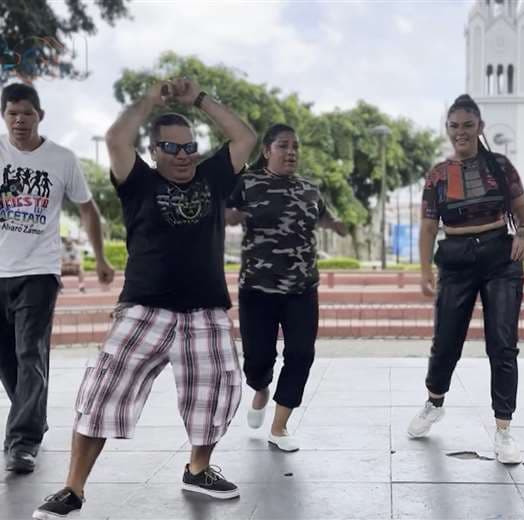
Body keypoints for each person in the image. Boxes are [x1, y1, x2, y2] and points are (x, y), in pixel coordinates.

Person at [33, 78, 257, 519]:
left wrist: (199, 99)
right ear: (154, 152)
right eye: (171, 148)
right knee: (101, 391)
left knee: (216, 392)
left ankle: (198, 468)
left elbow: (245, 137)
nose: (183, 155)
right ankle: (72, 490)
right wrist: (151, 99)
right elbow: (118, 137)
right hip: (144, 308)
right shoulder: (138, 181)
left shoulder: (212, 176)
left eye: (189, 146)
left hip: (205, 309)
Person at [407, 94, 524, 464]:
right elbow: (429, 226)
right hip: (456, 261)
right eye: (454, 126)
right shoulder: (438, 175)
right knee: (446, 342)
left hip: (500, 258)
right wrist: (425, 270)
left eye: (468, 125)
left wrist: (523, 234)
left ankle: (504, 430)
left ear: (480, 127)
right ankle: (434, 402)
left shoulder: (501, 166)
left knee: (503, 344)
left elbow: (522, 207)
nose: (460, 132)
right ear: (447, 130)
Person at [0, 83, 114, 475]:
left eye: (27, 113)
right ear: (4, 116)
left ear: (40, 116)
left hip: (39, 272)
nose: (19, 120)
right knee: (7, 359)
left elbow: (88, 210)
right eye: (12, 113)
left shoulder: (61, 159)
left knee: (31, 354)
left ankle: (23, 441)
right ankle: (31, 415)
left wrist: (99, 258)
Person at [226, 123, 347, 452]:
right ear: (267, 151)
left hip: (302, 288)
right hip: (257, 288)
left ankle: (279, 427)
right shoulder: (247, 183)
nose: (291, 152)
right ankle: (261, 387)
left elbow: (326, 219)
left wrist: (339, 226)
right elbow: (224, 215)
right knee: (257, 358)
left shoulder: (310, 189)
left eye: (295, 146)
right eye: (283, 146)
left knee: (301, 355)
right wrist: (228, 216)